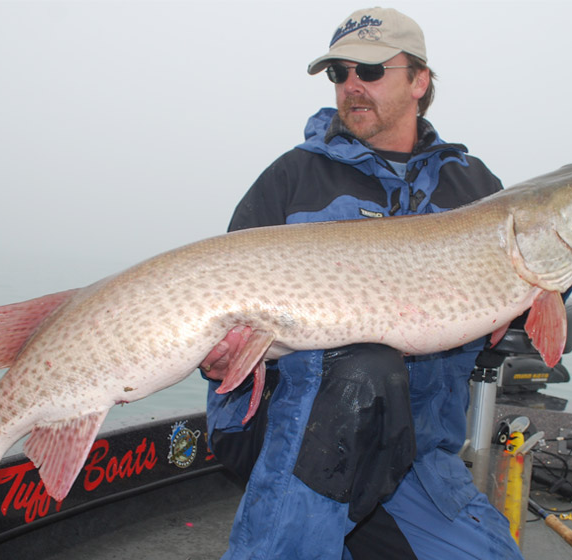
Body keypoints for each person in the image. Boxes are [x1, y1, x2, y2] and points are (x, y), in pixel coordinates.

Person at [201, 7, 524, 560]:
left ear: (420, 80)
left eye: (370, 71)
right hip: (288, 427)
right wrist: (218, 354)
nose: (352, 85)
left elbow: (528, 282)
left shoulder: (474, 188)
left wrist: (541, 292)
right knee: (362, 370)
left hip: (417, 453)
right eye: (339, 73)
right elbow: (220, 312)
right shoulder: (292, 177)